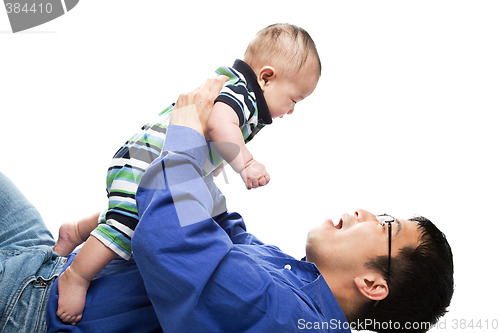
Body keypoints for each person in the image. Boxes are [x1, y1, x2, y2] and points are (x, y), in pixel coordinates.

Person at [0, 77, 453, 332]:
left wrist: (183, 137)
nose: (364, 212)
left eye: (386, 224)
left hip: (31, 310)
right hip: (50, 263)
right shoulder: (292, 278)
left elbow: (169, 243)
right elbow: (221, 227)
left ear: (374, 284)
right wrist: (221, 148)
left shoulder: (289, 320)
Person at [55, 23, 322, 324]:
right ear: (266, 77)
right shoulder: (243, 94)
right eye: (294, 100)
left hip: (147, 157)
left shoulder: (242, 91)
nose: (291, 110)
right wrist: (245, 163)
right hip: (145, 160)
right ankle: (76, 276)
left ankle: (77, 231)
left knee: (141, 213)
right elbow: (219, 124)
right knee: (128, 221)